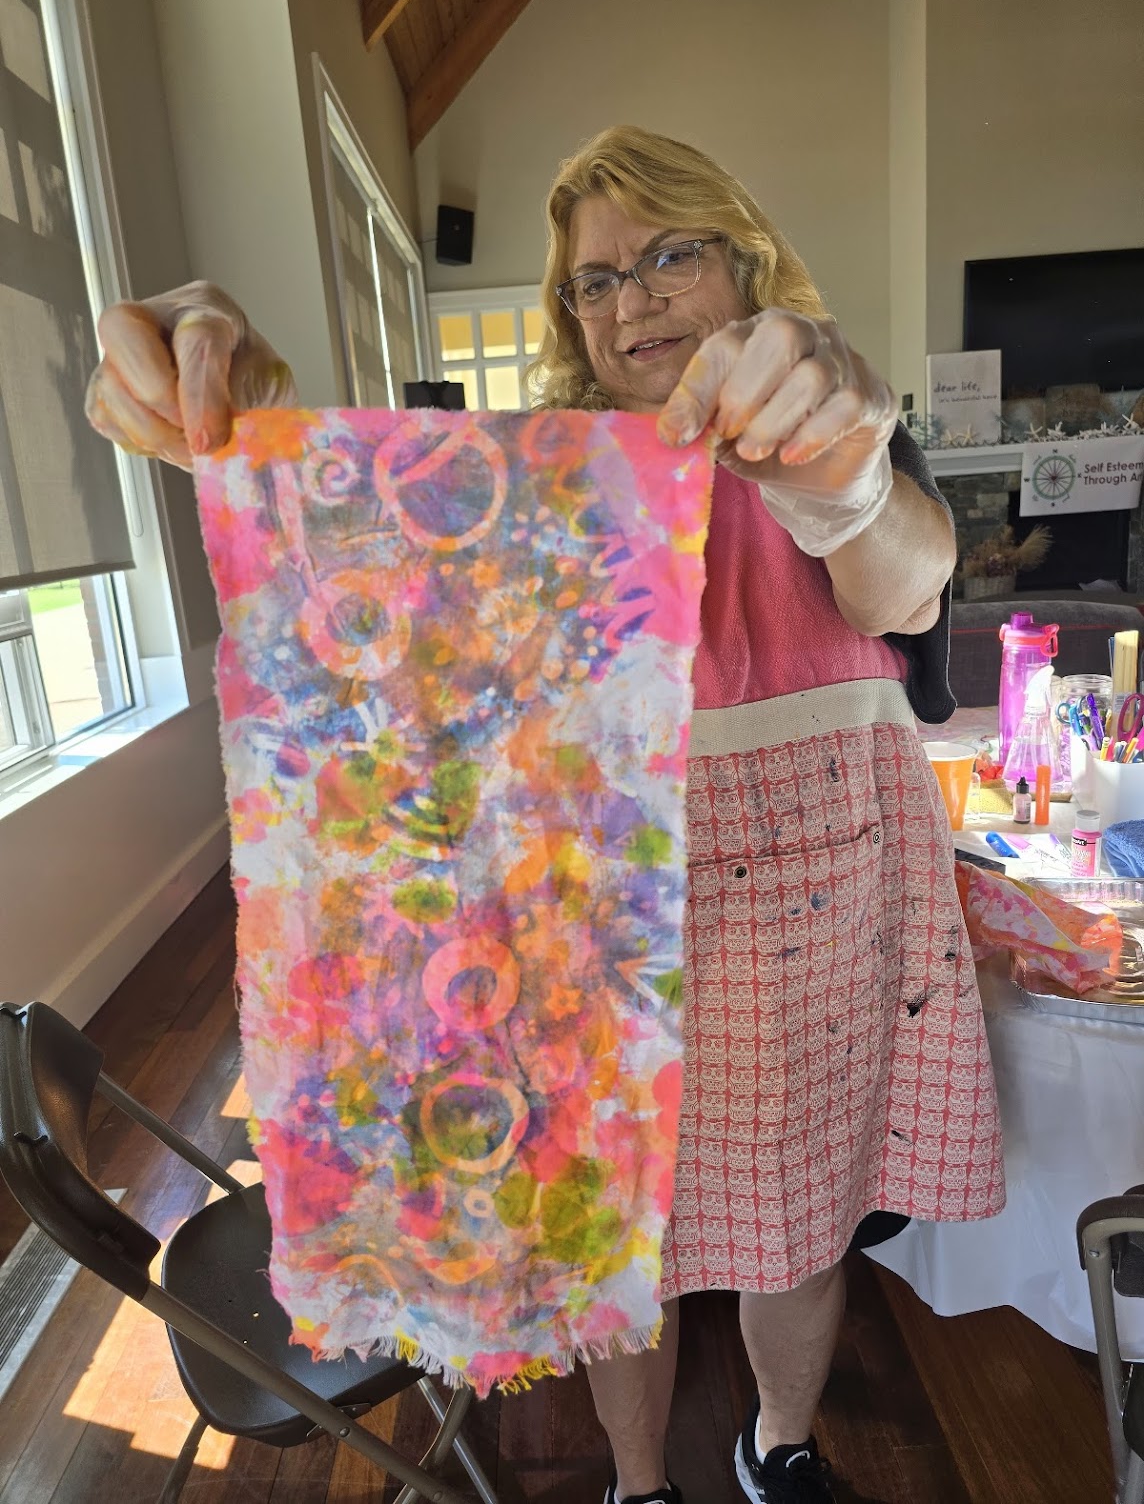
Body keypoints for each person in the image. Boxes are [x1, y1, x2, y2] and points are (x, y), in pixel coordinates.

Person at [86, 125, 1005, 1504]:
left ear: (744, 257)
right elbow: (379, 597)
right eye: (595, 279)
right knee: (612, 1228)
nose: (632, 300)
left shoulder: (838, 416)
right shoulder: (548, 472)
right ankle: (639, 1482)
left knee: (804, 1220)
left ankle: (780, 1446)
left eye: (668, 256)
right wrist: (262, 437)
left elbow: (905, 581)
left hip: (823, 908)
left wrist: (847, 475)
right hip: (602, 904)